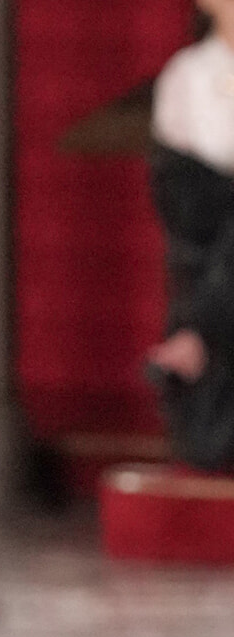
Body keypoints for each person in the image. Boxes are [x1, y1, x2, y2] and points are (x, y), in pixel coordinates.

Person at [147, 2, 234, 469]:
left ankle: (198, 334)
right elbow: (179, 194)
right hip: (205, 248)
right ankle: (203, 333)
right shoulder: (187, 76)